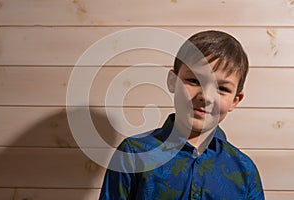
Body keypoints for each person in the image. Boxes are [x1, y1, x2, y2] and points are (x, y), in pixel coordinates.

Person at [99, 30, 264, 199]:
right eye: (193, 80)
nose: (205, 97)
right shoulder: (133, 155)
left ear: (235, 100)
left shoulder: (245, 170)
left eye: (222, 89)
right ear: (172, 81)